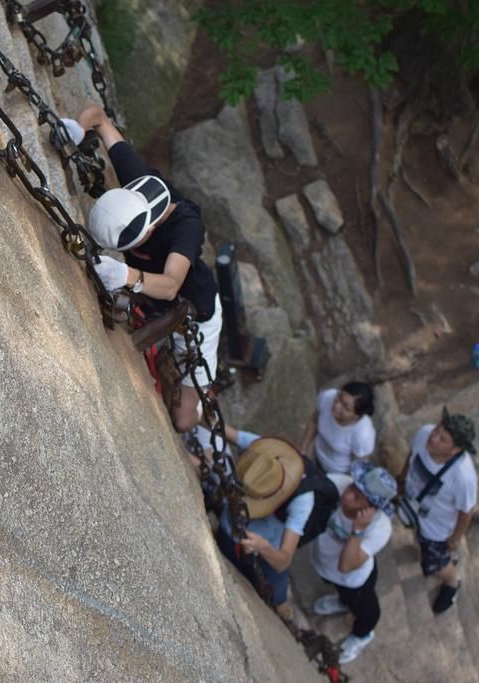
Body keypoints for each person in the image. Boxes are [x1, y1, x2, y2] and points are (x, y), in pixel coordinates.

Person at [74, 103, 221, 432]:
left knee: (182, 421)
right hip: (153, 297)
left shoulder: (186, 228)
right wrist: (76, 128)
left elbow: (171, 283)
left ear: (149, 231)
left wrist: (126, 275)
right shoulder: (138, 184)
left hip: (195, 313)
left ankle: (207, 403)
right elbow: (98, 117)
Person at [208, 434, 315, 621]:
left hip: (265, 552)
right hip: (230, 530)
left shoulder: (303, 500)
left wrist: (263, 547)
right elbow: (225, 429)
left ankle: (285, 616)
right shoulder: (265, 453)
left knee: (278, 599)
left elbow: (283, 561)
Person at [310, 461, 396, 664]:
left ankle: (362, 635)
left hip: (354, 579)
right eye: (352, 488)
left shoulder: (380, 527)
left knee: (366, 610)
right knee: (342, 593)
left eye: (357, 497)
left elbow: (346, 566)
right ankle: (342, 602)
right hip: (325, 565)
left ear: (371, 508)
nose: (347, 495)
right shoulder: (338, 484)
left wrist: (357, 530)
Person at [400, 407, 478, 614]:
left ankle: (452, 582)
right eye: (437, 430)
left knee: (435, 564)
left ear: (455, 450)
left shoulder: (463, 477)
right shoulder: (424, 433)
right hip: (413, 507)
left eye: (442, 439)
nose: (433, 437)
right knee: (421, 542)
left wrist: (454, 539)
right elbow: (411, 455)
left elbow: (466, 512)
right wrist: (401, 478)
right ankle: (444, 561)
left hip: (436, 530)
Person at [298, 382, 376, 475]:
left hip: (337, 473)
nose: (336, 405)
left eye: (345, 407)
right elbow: (313, 422)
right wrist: (302, 452)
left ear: (356, 416)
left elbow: (359, 467)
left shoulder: (363, 435)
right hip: (316, 456)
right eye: (339, 397)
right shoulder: (327, 397)